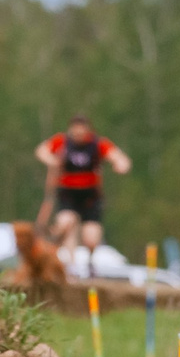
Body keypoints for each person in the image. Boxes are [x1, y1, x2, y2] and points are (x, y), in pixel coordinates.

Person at [34, 115, 131, 272]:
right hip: (68, 194)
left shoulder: (98, 144)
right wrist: (51, 160)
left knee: (91, 239)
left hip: (90, 197)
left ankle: (90, 261)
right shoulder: (62, 142)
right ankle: (71, 267)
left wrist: (120, 165)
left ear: (88, 130)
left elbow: (119, 157)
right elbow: (41, 151)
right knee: (66, 223)